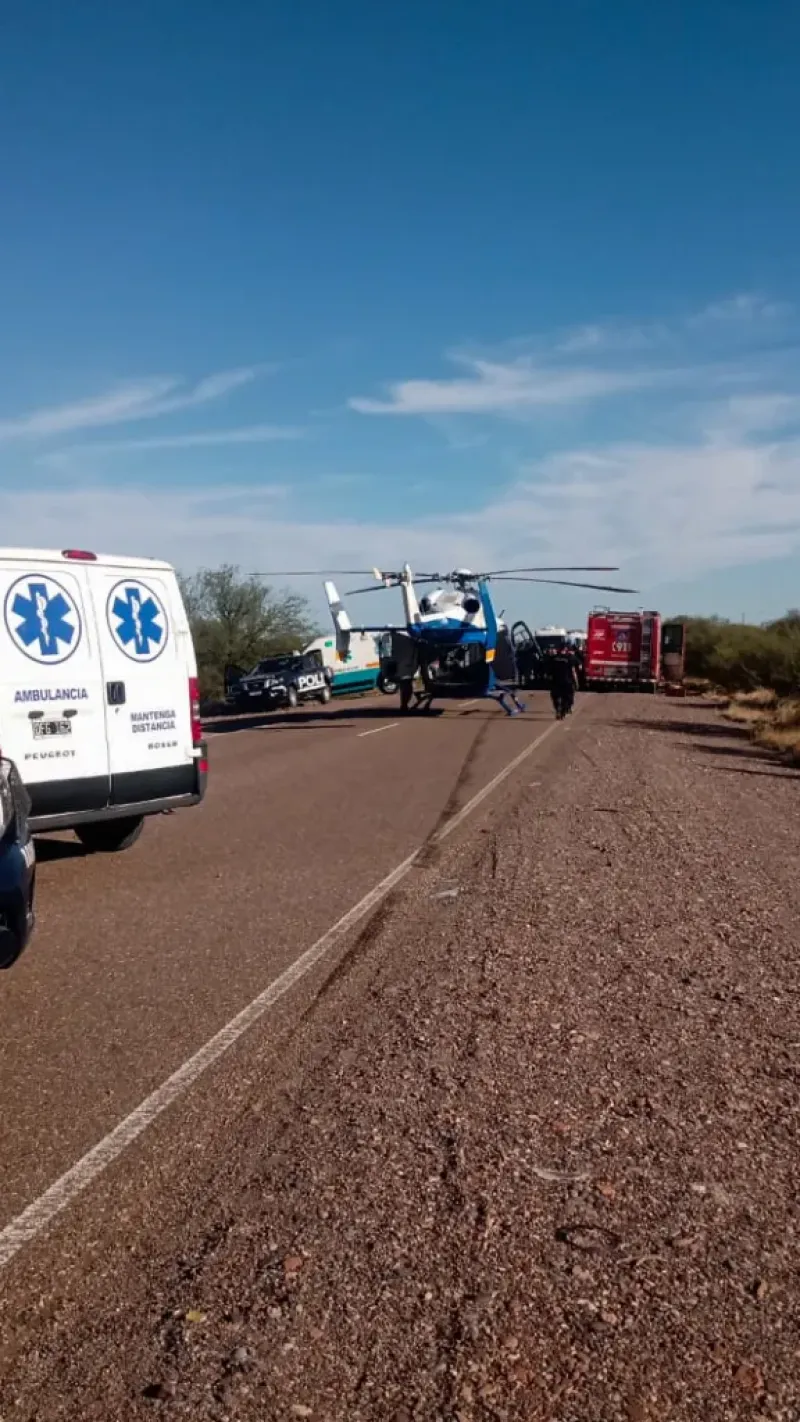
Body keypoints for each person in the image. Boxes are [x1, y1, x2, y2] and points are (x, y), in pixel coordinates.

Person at [547, 645, 577, 719]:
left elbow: (549, 672)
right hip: (567, 682)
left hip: (556, 681)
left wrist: (549, 680)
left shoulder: (553, 658)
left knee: (555, 697)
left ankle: (557, 710)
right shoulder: (569, 658)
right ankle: (563, 713)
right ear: (565, 649)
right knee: (565, 698)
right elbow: (573, 671)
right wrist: (576, 681)